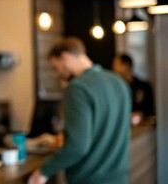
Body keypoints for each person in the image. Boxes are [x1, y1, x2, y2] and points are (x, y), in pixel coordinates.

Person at [28, 37, 131, 184]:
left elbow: (77, 146)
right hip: (120, 178)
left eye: (56, 67)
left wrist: (44, 170)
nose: (58, 74)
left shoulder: (77, 88)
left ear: (65, 57)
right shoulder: (119, 82)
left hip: (90, 180)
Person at [112, 53, 155, 120]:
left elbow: (151, 111)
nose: (114, 68)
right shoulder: (115, 89)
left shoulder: (143, 87)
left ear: (126, 65)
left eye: (116, 65)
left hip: (142, 128)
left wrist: (141, 114)